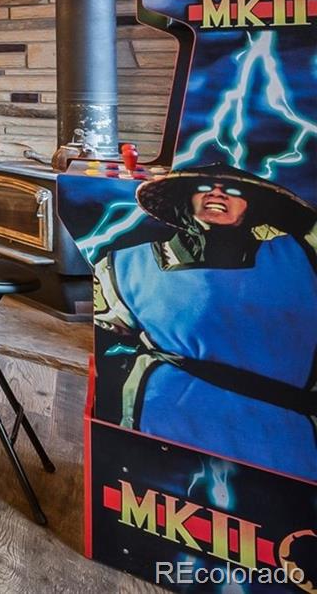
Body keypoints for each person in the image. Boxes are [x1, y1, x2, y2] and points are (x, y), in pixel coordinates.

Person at [92, 163, 317, 480]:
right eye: (204, 188)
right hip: (166, 432)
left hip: (279, 442)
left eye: (234, 190)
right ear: (185, 199)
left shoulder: (300, 258)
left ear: (252, 206)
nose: (218, 193)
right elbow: (104, 345)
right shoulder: (125, 266)